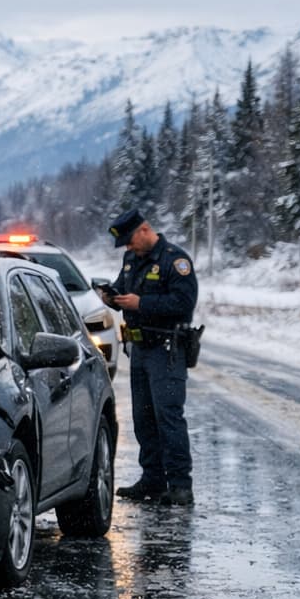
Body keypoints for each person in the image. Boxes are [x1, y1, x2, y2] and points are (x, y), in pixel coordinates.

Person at [100, 209, 199, 507]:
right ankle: (153, 479)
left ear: (144, 230)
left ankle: (180, 484)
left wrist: (142, 303)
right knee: (143, 417)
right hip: (140, 349)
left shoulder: (174, 260)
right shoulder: (132, 260)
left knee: (168, 416)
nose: (128, 248)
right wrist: (111, 297)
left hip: (167, 348)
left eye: (130, 241)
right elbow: (124, 288)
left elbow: (184, 303)